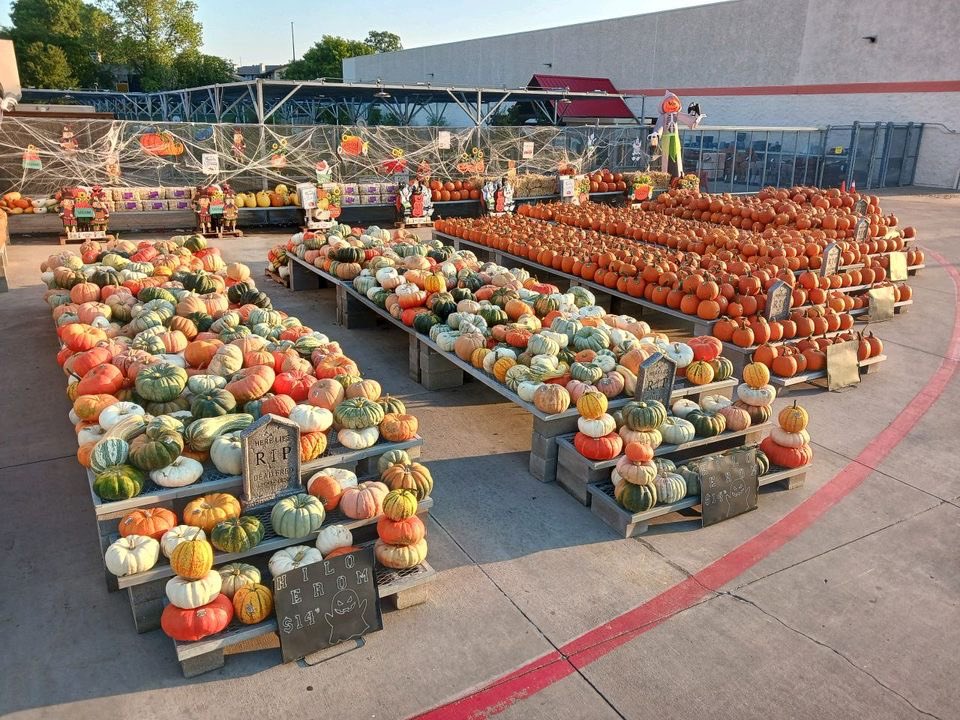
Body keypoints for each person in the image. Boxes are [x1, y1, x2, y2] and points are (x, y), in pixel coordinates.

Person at [649, 91, 705, 178]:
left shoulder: (677, 114)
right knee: (665, 158)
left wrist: (697, 117)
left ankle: (677, 176)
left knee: (676, 156)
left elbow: (689, 120)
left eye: (674, 102)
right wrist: (656, 134)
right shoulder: (663, 116)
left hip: (675, 139)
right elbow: (659, 127)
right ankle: (665, 177)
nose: (672, 104)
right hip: (666, 140)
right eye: (669, 102)